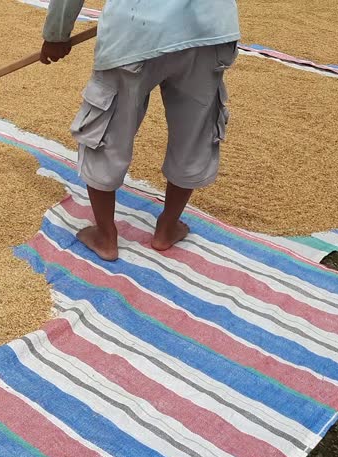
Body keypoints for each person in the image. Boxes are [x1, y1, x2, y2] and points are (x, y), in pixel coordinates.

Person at [40, 0, 240, 261]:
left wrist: (56, 34)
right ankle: (167, 227)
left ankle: (105, 236)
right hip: (208, 29)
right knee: (195, 133)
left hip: (136, 33)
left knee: (106, 130)